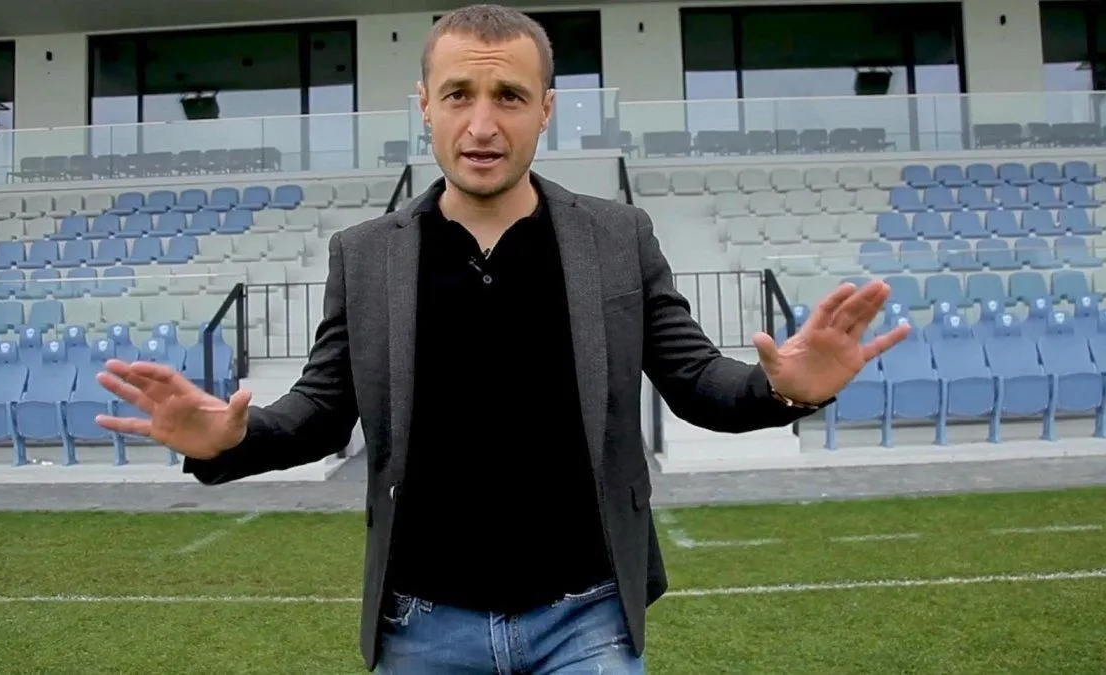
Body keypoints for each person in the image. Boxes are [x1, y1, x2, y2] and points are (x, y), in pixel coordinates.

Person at [94, 4, 909, 673]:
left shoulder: (616, 238)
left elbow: (698, 381)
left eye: (509, 96)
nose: (482, 124)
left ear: (545, 108)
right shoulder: (366, 255)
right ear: (424, 104)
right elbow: (320, 411)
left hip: (587, 618)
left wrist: (785, 387)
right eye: (458, 94)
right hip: (421, 624)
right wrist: (228, 441)